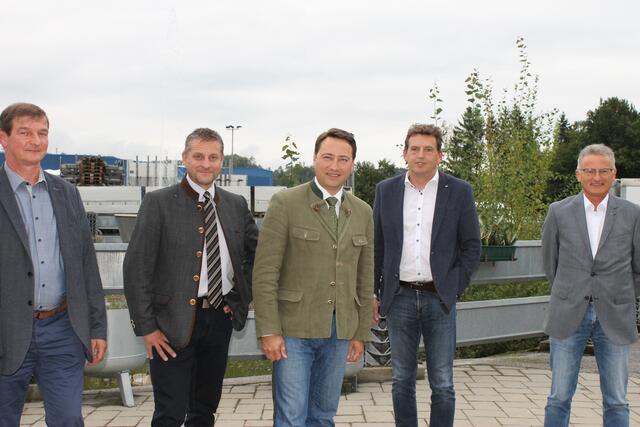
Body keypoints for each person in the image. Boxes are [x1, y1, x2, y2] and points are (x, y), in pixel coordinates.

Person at [123, 128, 258, 426]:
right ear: (184, 158)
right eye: (198, 156)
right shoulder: (158, 203)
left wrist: (238, 298)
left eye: (213, 157)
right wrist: (147, 328)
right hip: (170, 326)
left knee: (204, 409)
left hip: (219, 320)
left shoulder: (236, 204)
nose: (206, 164)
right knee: (169, 413)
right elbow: (136, 269)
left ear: (222, 160)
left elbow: (257, 257)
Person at [253, 128, 373, 426]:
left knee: (323, 415)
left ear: (353, 164)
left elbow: (364, 275)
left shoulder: (362, 212)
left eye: (343, 159)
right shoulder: (286, 203)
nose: (334, 166)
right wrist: (268, 329)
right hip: (292, 331)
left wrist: (359, 332)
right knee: (292, 416)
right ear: (315, 159)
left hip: (338, 331)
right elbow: (265, 271)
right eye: (328, 157)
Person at [0, 102, 107, 426]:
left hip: (62, 328)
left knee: (68, 419)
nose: (35, 141)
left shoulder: (67, 193)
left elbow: (86, 263)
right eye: (25, 133)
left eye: (42, 133)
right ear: (3, 138)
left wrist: (96, 327)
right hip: (7, 330)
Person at [373, 123, 481, 427]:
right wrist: (375, 291)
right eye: (415, 149)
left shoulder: (459, 191)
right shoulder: (386, 190)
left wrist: (454, 286)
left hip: (440, 298)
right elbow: (377, 246)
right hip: (399, 298)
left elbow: (472, 245)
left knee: (443, 382)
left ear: (439, 155)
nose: (421, 155)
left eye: (428, 149)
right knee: (401, 380)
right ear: (405, 153)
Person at [542, 144, 640, 427]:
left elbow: (638, 266)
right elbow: (551, 263)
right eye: (589, 171)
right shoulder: (558, 212)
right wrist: (572, 291)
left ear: (614, 173)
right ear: (578, 174)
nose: (596, 177)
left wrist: (619, 294)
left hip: (615, 314)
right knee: (559, 396)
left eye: (603, 171)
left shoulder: (633, 214)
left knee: (617, 400)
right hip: (568, 313)